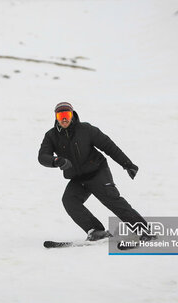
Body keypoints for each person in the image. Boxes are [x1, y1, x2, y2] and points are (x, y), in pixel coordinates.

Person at [38, 102, 151, 241]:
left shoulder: (86, 129)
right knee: (69, 200)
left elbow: (108, 146)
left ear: (72, 115)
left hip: (97, 171)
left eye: (67, 114)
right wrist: (56, 161)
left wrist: (127, 164)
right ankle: (95, 230)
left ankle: (144, 230)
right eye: (60, 115)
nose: (64, 119)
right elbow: (42, 156)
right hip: (78, 178)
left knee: (111, 199)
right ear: (56, 117)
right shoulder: (51, 136)